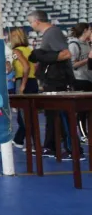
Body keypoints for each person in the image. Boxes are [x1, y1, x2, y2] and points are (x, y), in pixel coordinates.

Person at [27, 10, 76, 159]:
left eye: (30, 22)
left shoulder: (52, 33)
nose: (30, 25)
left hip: (58, 80)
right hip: (52, 79)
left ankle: (72, 149)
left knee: (61, 114)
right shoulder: (49, 34)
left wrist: (44, 56)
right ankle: (51, 145)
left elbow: (66, 54)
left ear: (36, 21)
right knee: (51, 114)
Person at [9, 28, 38, 148]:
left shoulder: (16, 52)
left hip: (24, 82)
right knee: (31, 114)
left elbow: (25, 66)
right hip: (33, 81)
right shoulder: (29, 50)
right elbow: (34, 66)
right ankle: (20, 140)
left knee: (23, 115)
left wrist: (22, 84)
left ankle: (29, 144)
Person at [67, 23, 92, 141]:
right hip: (79, 79)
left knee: (89, 109)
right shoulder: (74, 45)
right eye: (90, 30)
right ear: (85, 30)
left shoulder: (87, 44)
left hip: (88, 79)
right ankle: (83, 134)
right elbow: (72, 65)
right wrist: (88, 59)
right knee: (82, 109)